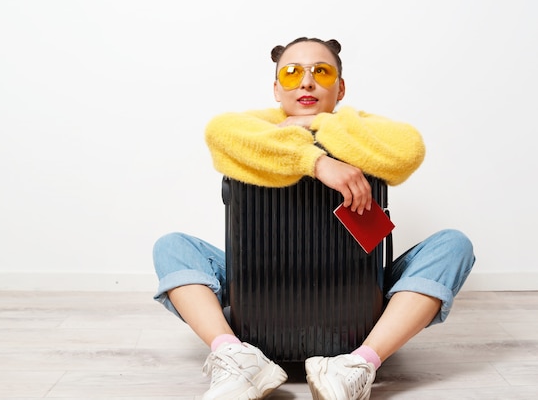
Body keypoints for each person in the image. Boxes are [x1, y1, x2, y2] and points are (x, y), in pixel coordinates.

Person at [152, 37, 476, 400]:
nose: (305, 83)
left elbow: (408, 148)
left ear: (340, 87)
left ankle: (357, 364)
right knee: (172, 247)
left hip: (358, 291)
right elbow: (220, 132)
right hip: (255, 287)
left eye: (320, 72)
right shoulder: (249, 126)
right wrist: (316, 162)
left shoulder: (359, 126)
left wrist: (320, 124)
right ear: (276, 88)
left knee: (454, 245)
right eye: (291, 74)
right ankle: (236, 356)